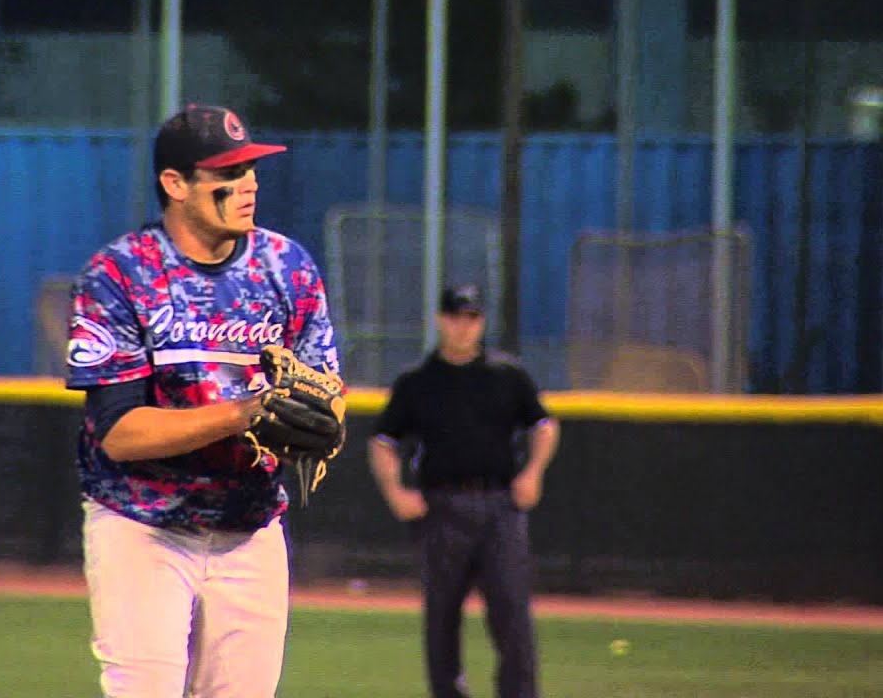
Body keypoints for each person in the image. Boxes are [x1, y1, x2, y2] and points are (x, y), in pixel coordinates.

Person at [65, 104, 341, 698]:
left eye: (250, 170)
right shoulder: (119, 275)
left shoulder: (288, 269)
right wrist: (242, 415)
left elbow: (324, 388)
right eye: (228, 173)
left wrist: (325, 420)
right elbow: (119, 431)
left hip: (251, 523)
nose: (248, 185)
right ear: (175, 184)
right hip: (142, 523)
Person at [368, 284, 560, 698]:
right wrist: (395, 491)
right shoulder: (418, 382)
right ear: (440, 320)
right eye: (456, 317)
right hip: (441, 507)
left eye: (471, 317)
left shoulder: (506, 375)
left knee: (512, 612)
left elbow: (543, 425)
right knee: (442, 616)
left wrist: (534, 473)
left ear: (482, 322)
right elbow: (384, 440)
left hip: (500, 506)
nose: (463, 326)